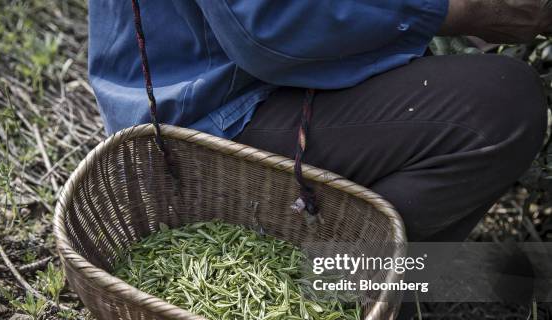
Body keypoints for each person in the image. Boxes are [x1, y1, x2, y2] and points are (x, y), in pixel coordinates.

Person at [88, 0, 549, 243]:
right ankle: (333, 290)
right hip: (200, 134)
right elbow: (265, 25)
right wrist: (453, 10)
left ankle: (375, 276)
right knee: (500, 106)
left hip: (230, 89)